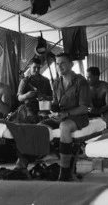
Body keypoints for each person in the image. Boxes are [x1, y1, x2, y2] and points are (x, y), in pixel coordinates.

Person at [41, 53, 91, 181]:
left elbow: (84, 108)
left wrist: (66, 114)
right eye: (57, 64)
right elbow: (56, 104)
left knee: (64, 126)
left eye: (63, 63)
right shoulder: (56, 83)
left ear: (71, 64)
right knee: (40, 127)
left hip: (78, 116)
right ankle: (24, 164)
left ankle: (64, 172)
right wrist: (50, 110)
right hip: (62, 115)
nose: (59, 66)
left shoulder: (81, 81)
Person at [17, 57, 53, 123]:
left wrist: (44, 97)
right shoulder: (25, 81)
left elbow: (52, 97)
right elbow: (19, 98)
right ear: (29, 67)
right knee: (31, 120)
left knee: (45, 120)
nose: (36, 70)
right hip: (29, 108)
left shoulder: (46, 80)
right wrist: (26, 96)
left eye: (38, 68)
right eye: (34, 67)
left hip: (43, 108)